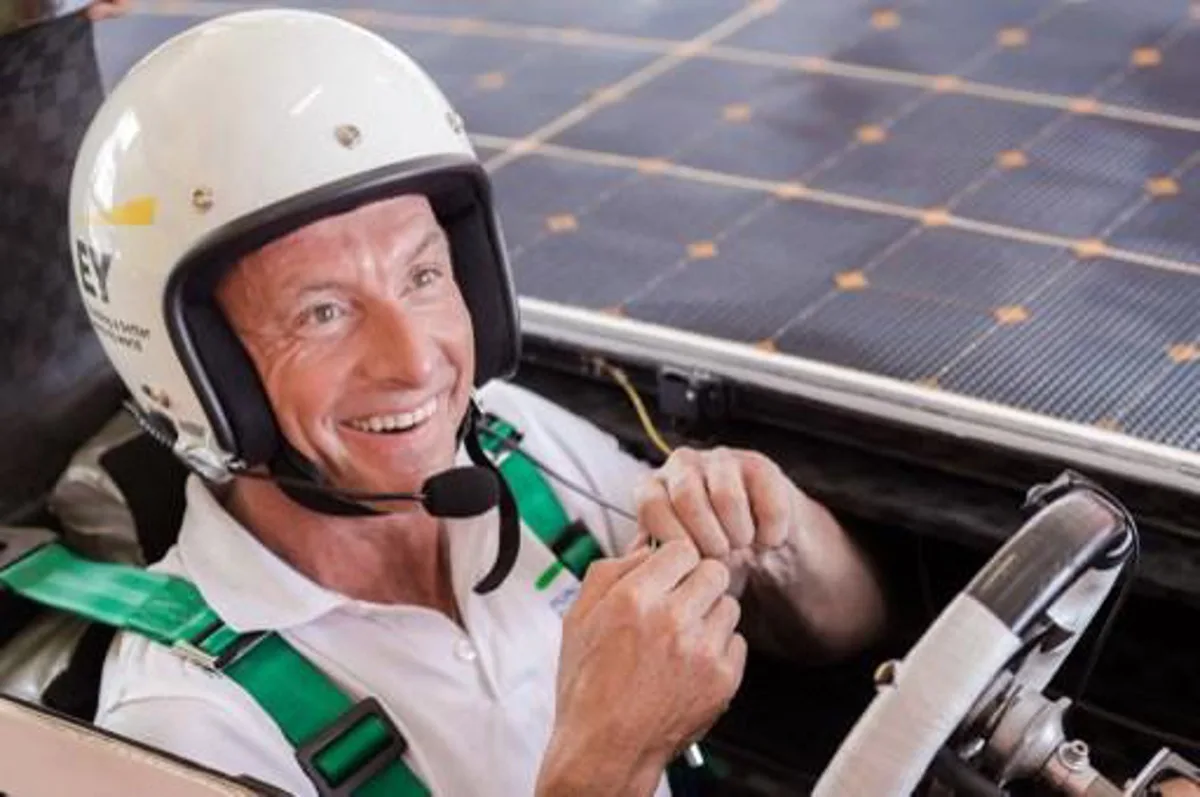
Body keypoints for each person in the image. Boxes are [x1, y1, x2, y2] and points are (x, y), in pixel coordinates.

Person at [67, 9, 886, 796]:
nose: (417, 358)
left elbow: (850, 632)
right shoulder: (182, 729)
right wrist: (607, 763)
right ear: (199, 372)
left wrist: (783, 539)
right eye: (324, 312)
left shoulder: (511, 444)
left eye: (422, 276)